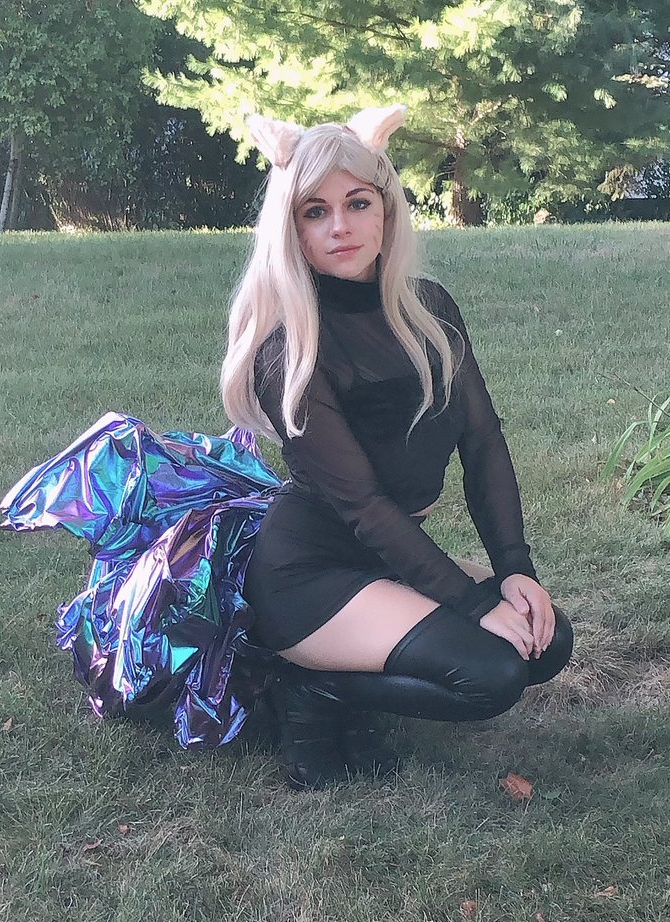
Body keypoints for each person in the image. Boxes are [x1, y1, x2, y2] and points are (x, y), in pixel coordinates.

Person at [220, 104, 574, 788]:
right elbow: (363, 507)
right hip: (309, 578)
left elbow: (483, 441)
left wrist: (513, 569)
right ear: (290, 228)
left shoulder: (428, 308)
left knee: (546, 640)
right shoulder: (289, 350)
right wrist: (475, 605)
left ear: (386, 208)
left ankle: (357, 678)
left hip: (385, 557)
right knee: (492, 673)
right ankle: (312, 692)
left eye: (357, 203)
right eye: (315, 211)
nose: (340, 226)